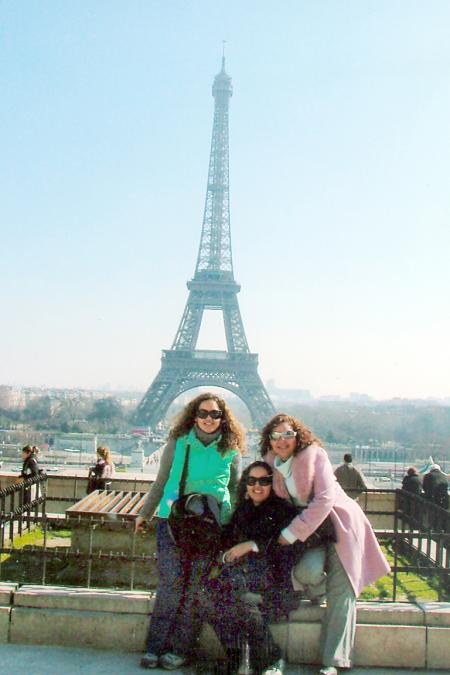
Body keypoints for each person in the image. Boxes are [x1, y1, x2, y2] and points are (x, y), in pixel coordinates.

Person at [260, 414, 390, 675]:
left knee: (342, 592)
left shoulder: (314, 455)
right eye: (276, 436)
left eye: (288, 434)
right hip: (313, 530)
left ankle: (334, 660)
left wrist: (290, 533)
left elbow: (325, 499)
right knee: (305, 572)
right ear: (269, 441)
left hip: (339, 524)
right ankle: (320, 591)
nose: (282, 440)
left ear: (298, 435)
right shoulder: (271, 464)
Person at [135, 393, 245, 670]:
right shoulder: (178, 443)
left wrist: (231, 528)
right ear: (194, 415)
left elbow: (235, 490)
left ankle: (179, 649)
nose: (209, 419)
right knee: (171, 586)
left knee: (196, 589)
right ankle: (155, 647)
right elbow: (161, 480)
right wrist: (144, 512)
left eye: (215, 414)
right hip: (173, 522)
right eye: (203, 413)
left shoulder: (231, 449)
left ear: (223, 417)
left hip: (211, 528)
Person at [209, 461, 299, 675]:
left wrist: (251, 545)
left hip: (272, 582)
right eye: (251, 481)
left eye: (264, 481)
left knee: (240, 598)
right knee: (209, 597)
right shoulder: (243, 510)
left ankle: (272, 658)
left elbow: (286, 550)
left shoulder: (284, 511)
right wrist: (226, 555)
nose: (257, 486)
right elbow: (226, 542)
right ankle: (237, 657)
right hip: (239, 577)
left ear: (272, 483)